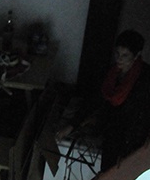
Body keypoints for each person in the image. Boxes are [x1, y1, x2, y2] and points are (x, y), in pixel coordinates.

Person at [55, 29, 150, 172]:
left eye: (125, 55)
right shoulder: (111, 74)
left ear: (136, 55)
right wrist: (72, 125)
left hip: (134, 139)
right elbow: (95, 101)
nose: (119, 59)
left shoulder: (145, 79)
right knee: (107, 173)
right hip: (112, 133)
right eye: (117, 54)